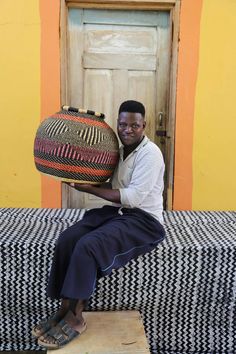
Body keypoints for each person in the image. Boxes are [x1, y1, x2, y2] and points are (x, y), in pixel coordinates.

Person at [32, 100, 166, 349]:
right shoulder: (119, 149)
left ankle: (76, 318)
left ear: (144, 125)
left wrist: (89, 189)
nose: (128, 129)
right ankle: (64, 308)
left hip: (145, 221)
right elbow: (111, 187)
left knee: (89, 245)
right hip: (120, 213)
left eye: (134, 125)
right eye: (123, 124)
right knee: (68, 238)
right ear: (117, 123)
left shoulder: (151, 154)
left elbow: (133, 197)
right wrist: (78, 179)